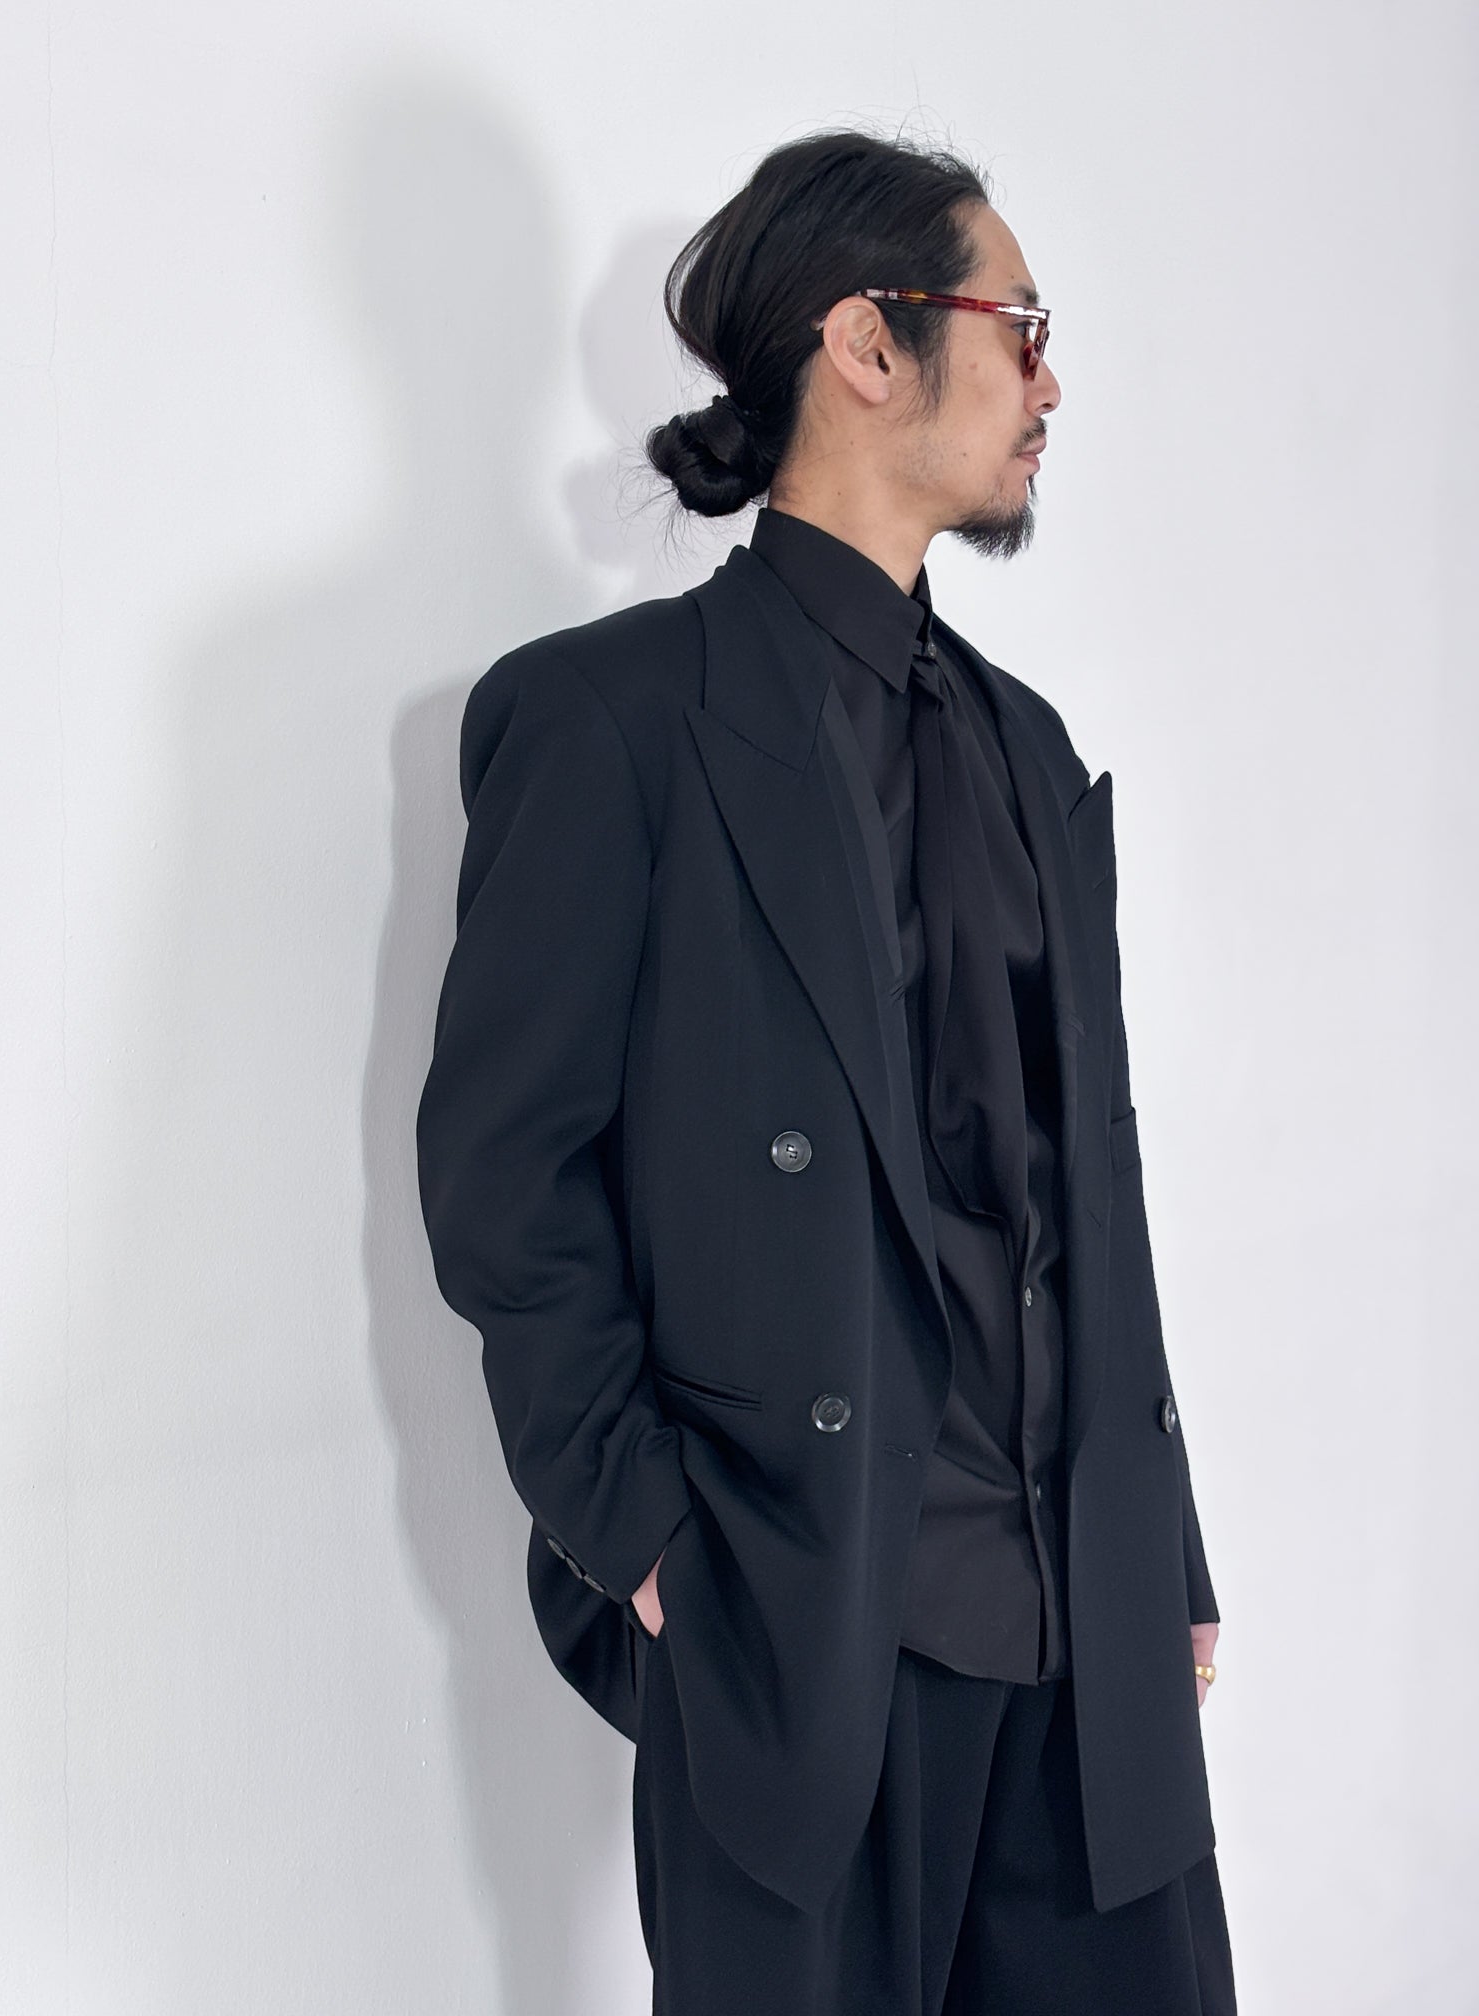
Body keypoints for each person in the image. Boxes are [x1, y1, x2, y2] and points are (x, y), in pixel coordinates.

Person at [416, 126, 1236, 2015]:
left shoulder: (1030, 749)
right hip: (800, 1629)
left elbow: (1082, 1187)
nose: (1049, 383)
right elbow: (504, 1179)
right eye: (1020, 327)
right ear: (869, 344)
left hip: (1082, 1630)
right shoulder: (613, 722)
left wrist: (1160, 1542)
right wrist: (644, 1536)